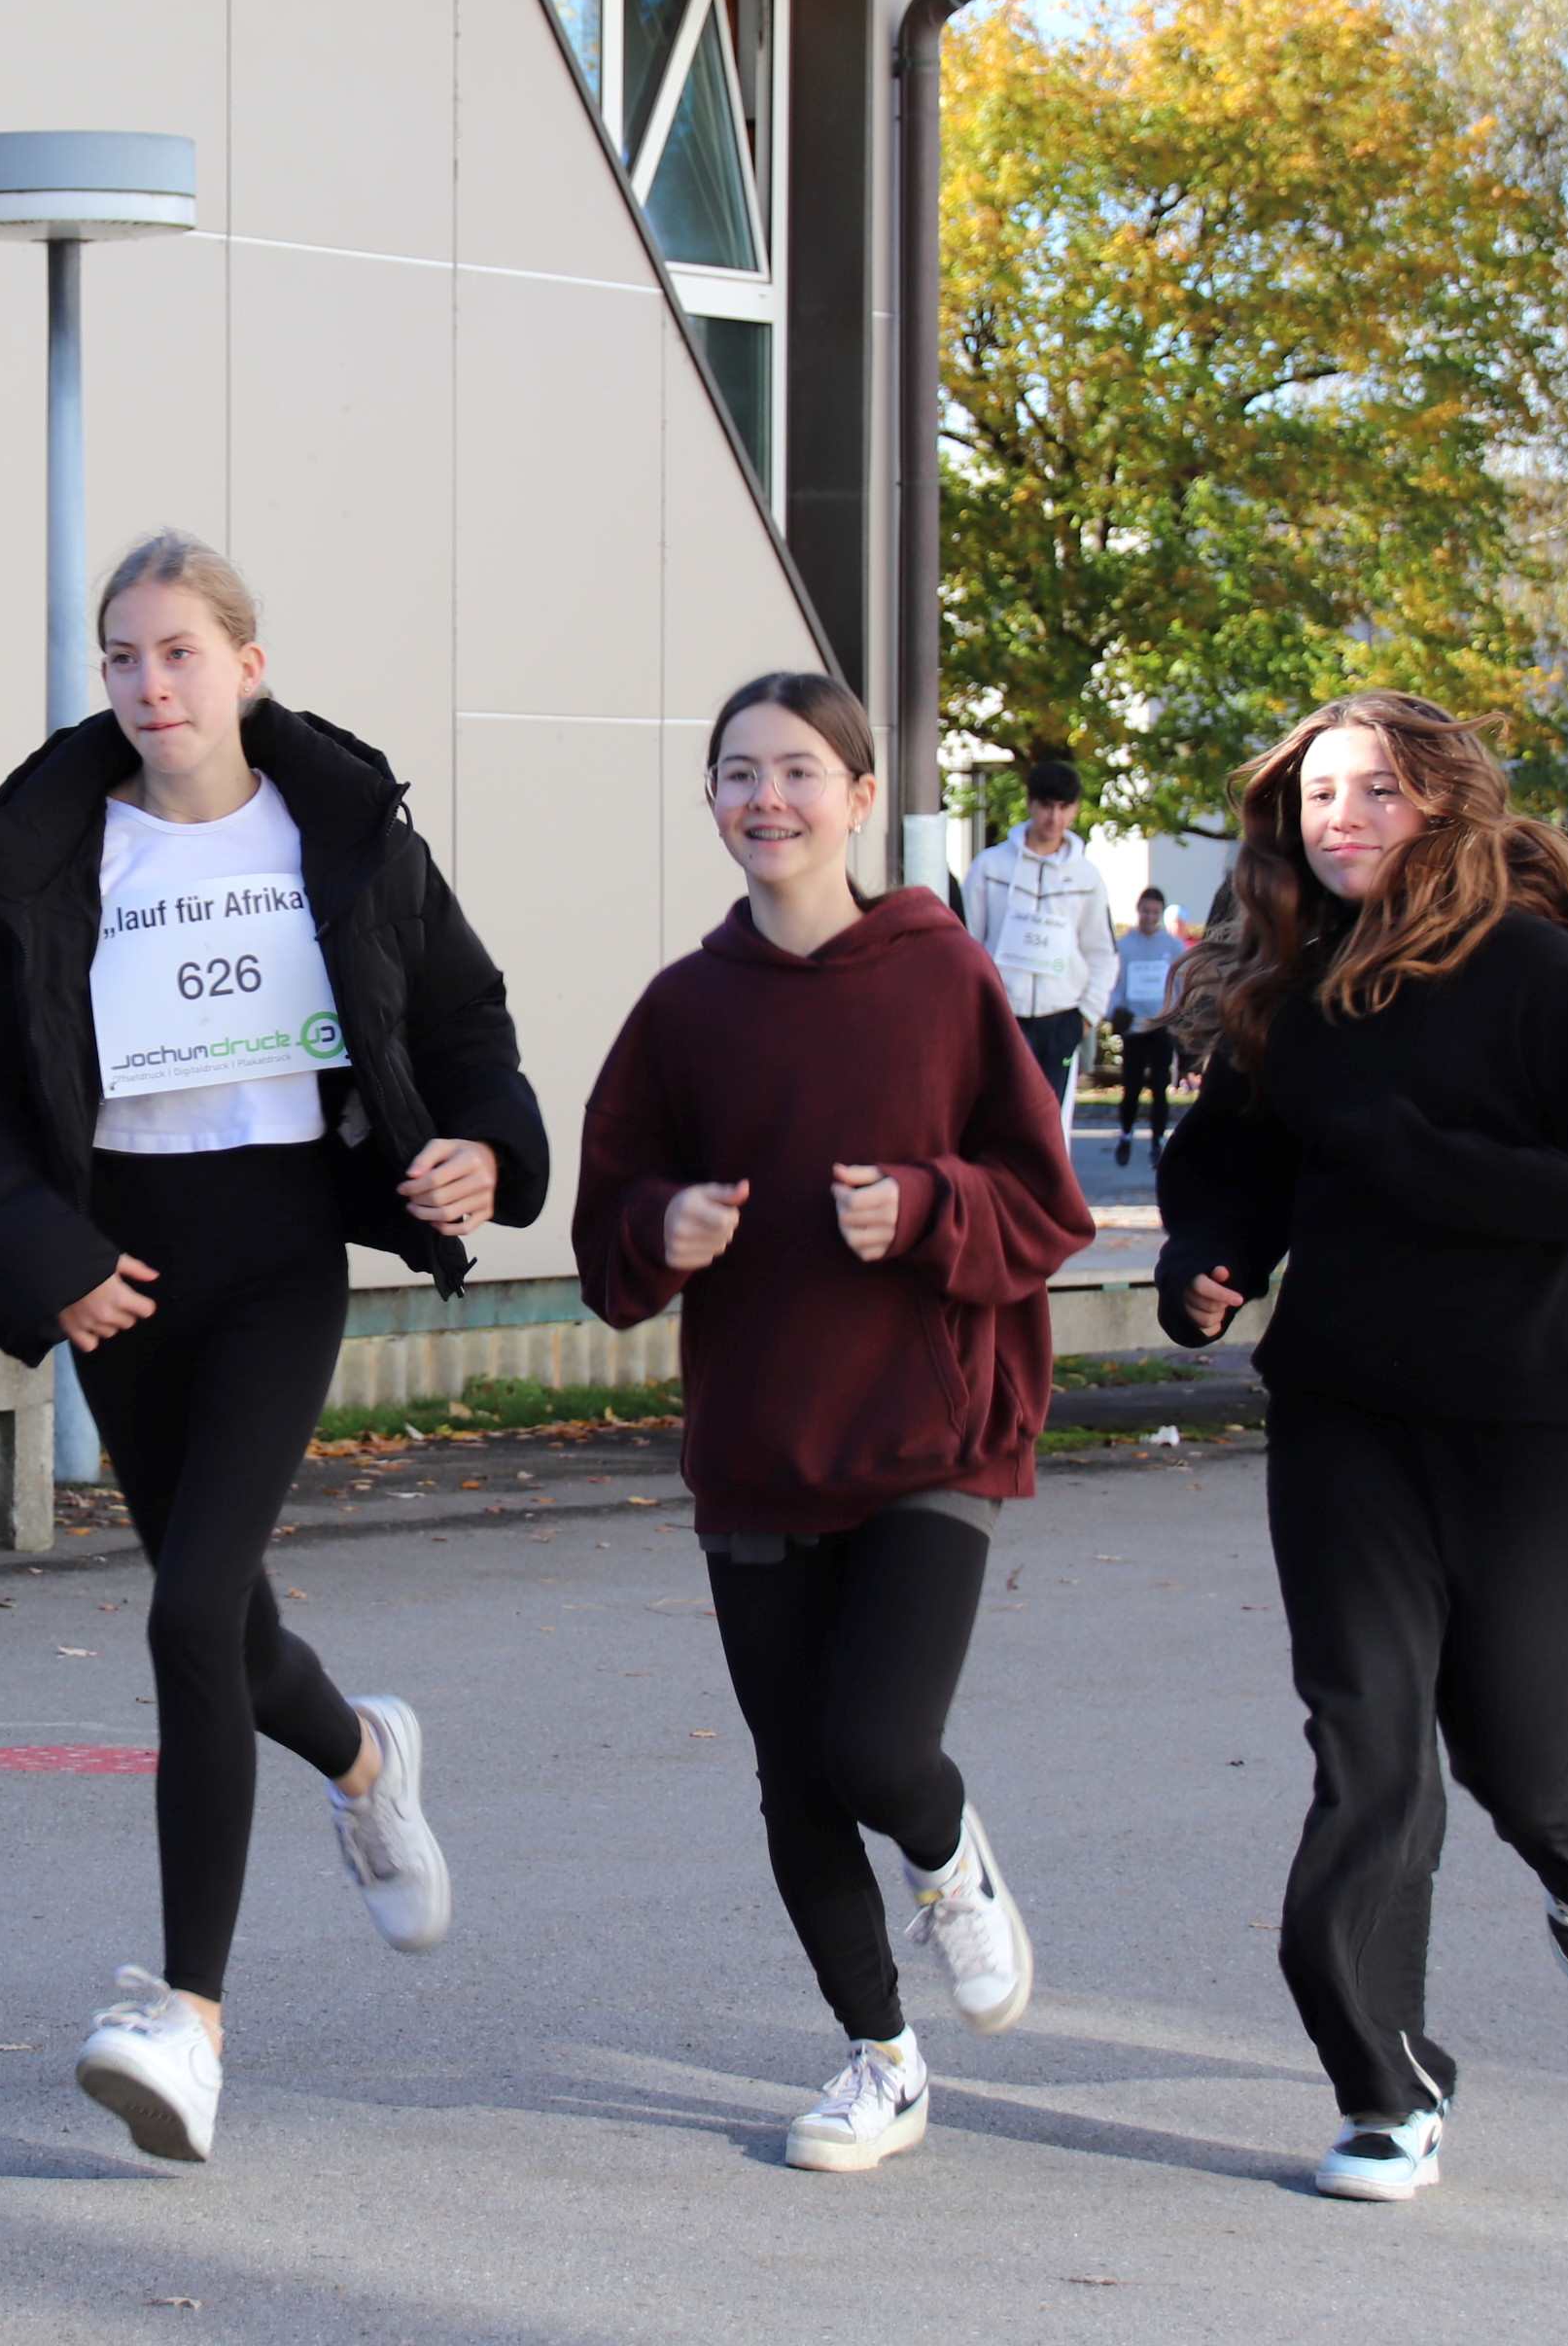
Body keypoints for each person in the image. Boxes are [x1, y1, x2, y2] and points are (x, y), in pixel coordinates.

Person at [0, 530, 545, 2165]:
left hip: (276, 1259)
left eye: (178, 651)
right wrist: (44, 1260)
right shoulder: (50, 856)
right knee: (224, 1624)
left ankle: (188, 2020)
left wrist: (482, 1149)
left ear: (247, 667)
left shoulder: (341, 833)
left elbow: (462, 1018)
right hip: (118, 1270)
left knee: (188, 1610)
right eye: (120, 657)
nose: (147, 684)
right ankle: (363, 1753)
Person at [1155, 690, 1568, 2205]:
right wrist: (1207, 1264)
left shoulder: (1534, 970)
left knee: (1513, 1740)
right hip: (1347, 1420)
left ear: (1445, 807)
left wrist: (1433, 1168)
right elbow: (1230, 1166)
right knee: (1370, 1756)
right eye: (1321, 794)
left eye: (1378, 790)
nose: (1343, 818)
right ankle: (1384, 2090)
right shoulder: (1289, 987)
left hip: (1538, 1422)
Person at [574, 672, 1091, 2176]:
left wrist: (925, 1206)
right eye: (740, 773)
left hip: (936, 1430)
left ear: (861, 799)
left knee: (877, 1748)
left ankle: (947, 1856)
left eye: (800, 771)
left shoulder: (944, 977)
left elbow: (1045, 1203)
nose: (769, 800)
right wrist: (662, 1225)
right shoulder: (684, 1009)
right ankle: (882, 2061)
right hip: (761, 1443)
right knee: (795, 1777)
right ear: (712, 802)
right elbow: (609, 1222)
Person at [962, 761, 1116, 1117]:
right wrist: (976, 1006)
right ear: (1031, 804)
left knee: (1048, 1120)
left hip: (1061, 1017)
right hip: (1003, 1013)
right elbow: (968, 942)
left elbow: (1102, 951)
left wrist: (1086, 1016)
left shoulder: (1087, 877)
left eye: (1064, 807)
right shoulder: (990, 867)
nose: (1054, 817)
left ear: (1075, 809)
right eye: (1047, 806)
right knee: (999, 1116)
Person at [1108, 889, 1188, 1169]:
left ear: (1161, 914)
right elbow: (1114, 984)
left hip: (1161, 1026)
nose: (1150, 917)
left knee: (1159, 1086)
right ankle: (1126, 1134)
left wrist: (1177, 1014)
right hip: (1134, 1026)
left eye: (1155, 912)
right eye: (1146, 911)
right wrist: (1115, 1012)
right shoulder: (1124, 946)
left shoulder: (1174, 947)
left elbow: (1181, 985)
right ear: (1138, 911)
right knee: (1131, 1087)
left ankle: (1157, 1140)